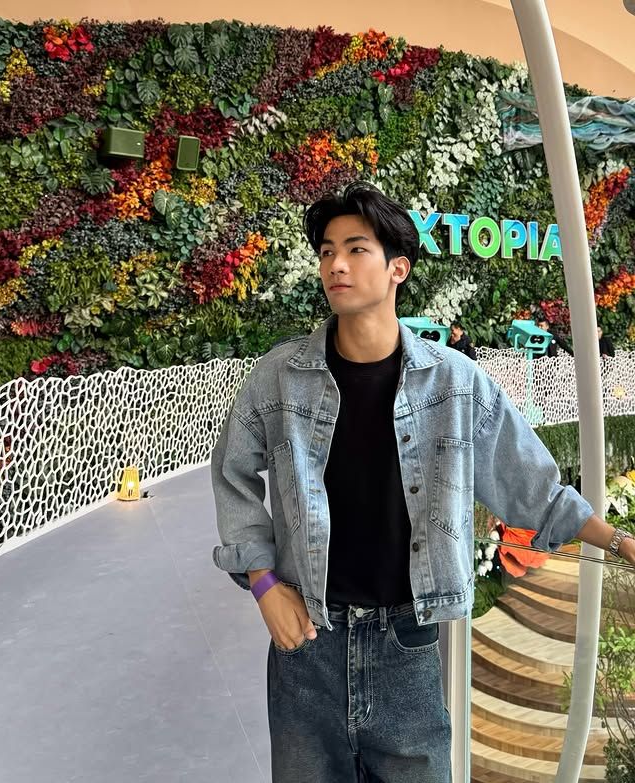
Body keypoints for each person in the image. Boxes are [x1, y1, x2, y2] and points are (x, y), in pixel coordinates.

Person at [211, 181, 635, 783]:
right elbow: (232, 475)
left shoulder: (456, 383)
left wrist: (618, 541)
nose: (336, 265)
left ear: (397, 268)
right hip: (307, 643)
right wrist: (263, 584)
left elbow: (531, 486)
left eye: (356, 249)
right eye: (327, 251)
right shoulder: (279, 377)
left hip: (408, 646)